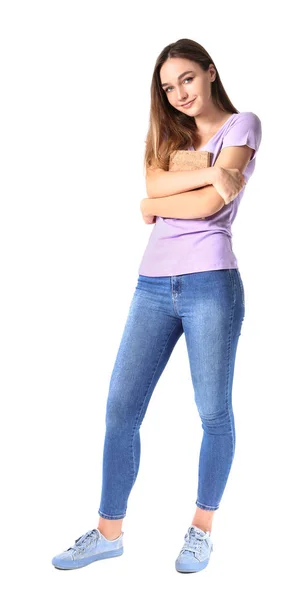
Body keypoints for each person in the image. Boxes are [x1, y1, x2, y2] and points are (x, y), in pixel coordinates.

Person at [52, 38, 262, 573]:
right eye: (169, 87)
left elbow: (209, 204)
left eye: (187, 79)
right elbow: (150, 186)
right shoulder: (168, 132)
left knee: (213, 412)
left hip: (211, 284)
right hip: (151, 285)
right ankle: (108, 533)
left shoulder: (243, 125)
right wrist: (198, 176)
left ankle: (200, 529)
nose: (179, 94)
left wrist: (167, 197)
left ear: (210, 72)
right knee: (121, 409)